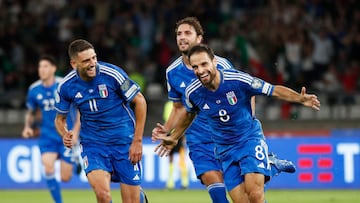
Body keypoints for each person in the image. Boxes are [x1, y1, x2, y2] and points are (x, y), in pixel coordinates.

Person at [152, 17, 295, 203]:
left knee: (251, 196)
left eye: (188, 33)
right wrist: (167, 129)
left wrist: (247, 128)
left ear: (200, 38)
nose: (182, 37)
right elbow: (179, 108)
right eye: (179, 34)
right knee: (219, 197)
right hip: (198, 140)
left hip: (226, 137)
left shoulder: (221, 65)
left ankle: (269, 163)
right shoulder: (172, 71)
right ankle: (270, 164)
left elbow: (245, 91)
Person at [54, 39, 148, 203]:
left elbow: (140, 101)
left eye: (94, 58)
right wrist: (64, 133)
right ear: (73, 64)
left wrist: (137, 141)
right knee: (103, 195)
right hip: (93, 145)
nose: (92, 64)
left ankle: (139, 196)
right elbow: (59, 119)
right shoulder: (66, 86)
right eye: (86, 61)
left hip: (123, 142)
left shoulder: (112, 74)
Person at [22, 55, 81, 203]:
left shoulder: (65, 85)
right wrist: (28, 127)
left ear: (53, 68)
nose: (41, 69)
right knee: (48, 168)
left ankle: (75, 160)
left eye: (45, 66)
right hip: (47, 136)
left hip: (65, 135)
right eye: (40, 66)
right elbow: (31, 112)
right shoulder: (34, 89)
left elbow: (79, 110)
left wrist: (76, 131)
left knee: (65, 178)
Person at [163, 101, 189, 190]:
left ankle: (183, 182)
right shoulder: (171, 104)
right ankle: (172, 182)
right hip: (175, 133)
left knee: (179, 157)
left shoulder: (170, 104)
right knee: (173, 157)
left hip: (178, 133)